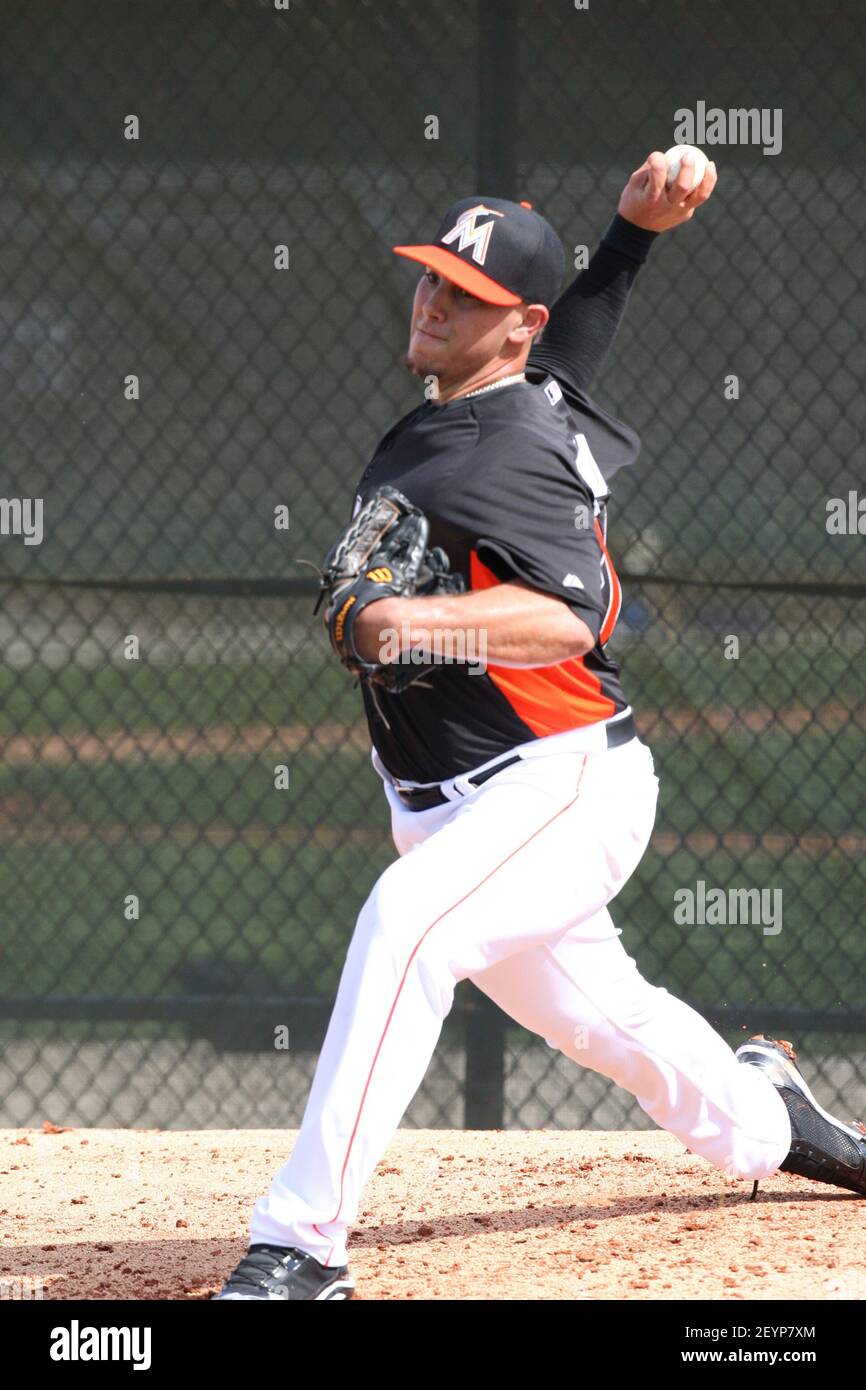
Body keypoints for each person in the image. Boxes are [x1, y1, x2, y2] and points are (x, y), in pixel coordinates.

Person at [214, 151, 866, 1301]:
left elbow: (566, 617)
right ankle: (767, 1112)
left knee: (405, 925)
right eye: (427, 280)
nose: (429, 302)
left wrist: (402, 624)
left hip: (554, 785)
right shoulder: (500, 395)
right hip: (450, 801)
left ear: (505, 325)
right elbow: (570, 341)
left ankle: (299, 1245)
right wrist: (627, 236)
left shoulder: (511, 449)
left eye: (458, 297)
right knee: (613, 1028)